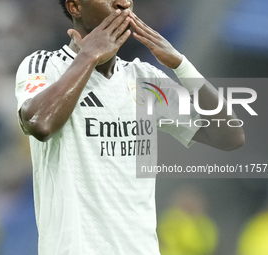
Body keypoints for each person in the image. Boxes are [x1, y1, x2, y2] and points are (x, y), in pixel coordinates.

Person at [15, 0, 245, 254]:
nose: (123, 3)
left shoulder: (144, 79)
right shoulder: (45, 65)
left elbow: (229, 136)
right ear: (75, 7)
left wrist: (180, 64)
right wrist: (89, 55)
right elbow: (40, 123)